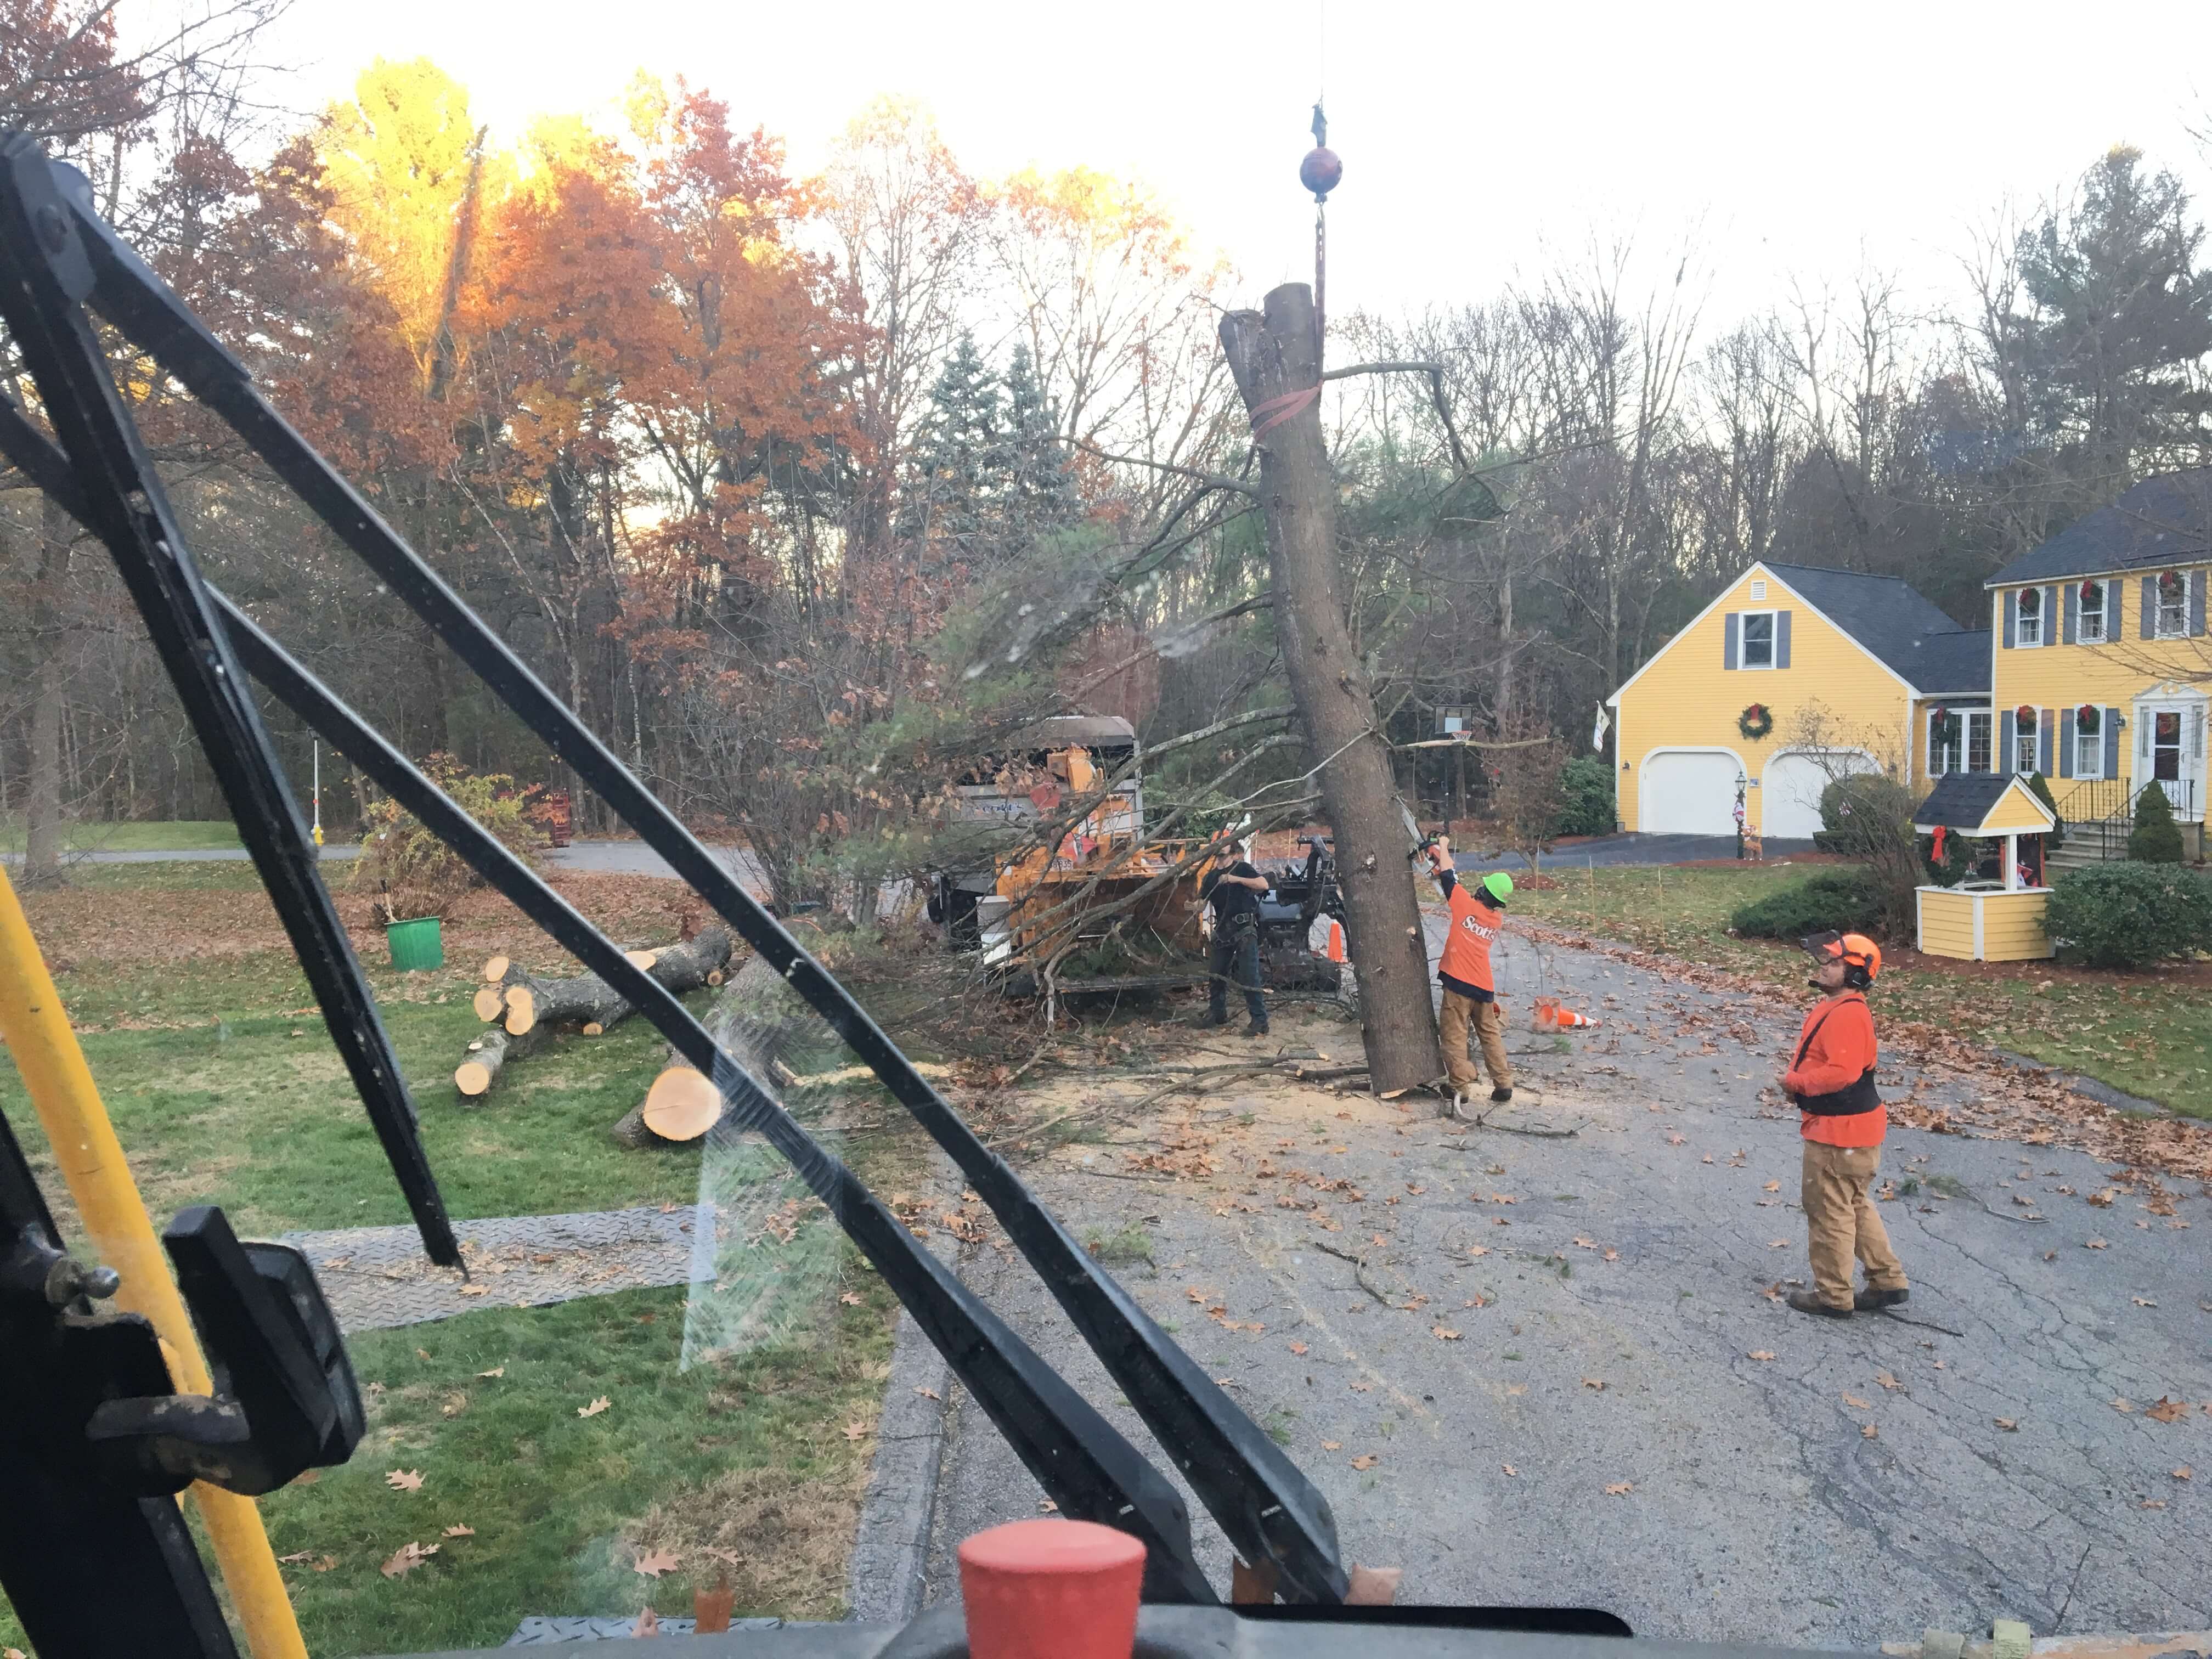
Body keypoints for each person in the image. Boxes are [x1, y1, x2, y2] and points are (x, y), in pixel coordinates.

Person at [1779, 932, 1909, 1319]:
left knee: (1827, 1210)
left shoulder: (1850, 1013)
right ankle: (1887, 1280)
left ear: (1856, 975)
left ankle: (1833, 1296)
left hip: (1840, 1133)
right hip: (1850, 1130)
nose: (1824, 965)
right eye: (1826, 959)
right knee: (1852, 1203)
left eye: (1835, 963)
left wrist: (1796, 1084)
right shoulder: (1837, 1005)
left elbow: (1843, 1072)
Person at [1423, 837, 1513, 1116]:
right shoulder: (1495, 919)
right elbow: (1452, 879)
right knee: (1490, 1035)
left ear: (1485, 895)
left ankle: (1459, 1086)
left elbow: (1450, 878)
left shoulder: (1465, 905)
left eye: (1483, 888)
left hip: (1459, 984)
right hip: (1484, 987)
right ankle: (1504, 1084)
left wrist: (1444, 847)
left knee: (1453, 1035)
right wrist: (1443, 866)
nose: (1479, 888)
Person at [1198, 836, 1270, 1036]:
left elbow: (1263, 884)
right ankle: (1217, 1013)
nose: (1220, 849)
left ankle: (1259, 1020)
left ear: (1232, 852)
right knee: (1216, 974)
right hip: (1222, 931)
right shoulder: (1210, 878)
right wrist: (1191, 906)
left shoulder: (1243, 869)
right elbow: (1201, 904)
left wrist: (1235, 880)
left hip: (1244, 929)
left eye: (1224, 846)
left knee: (1249, 975)